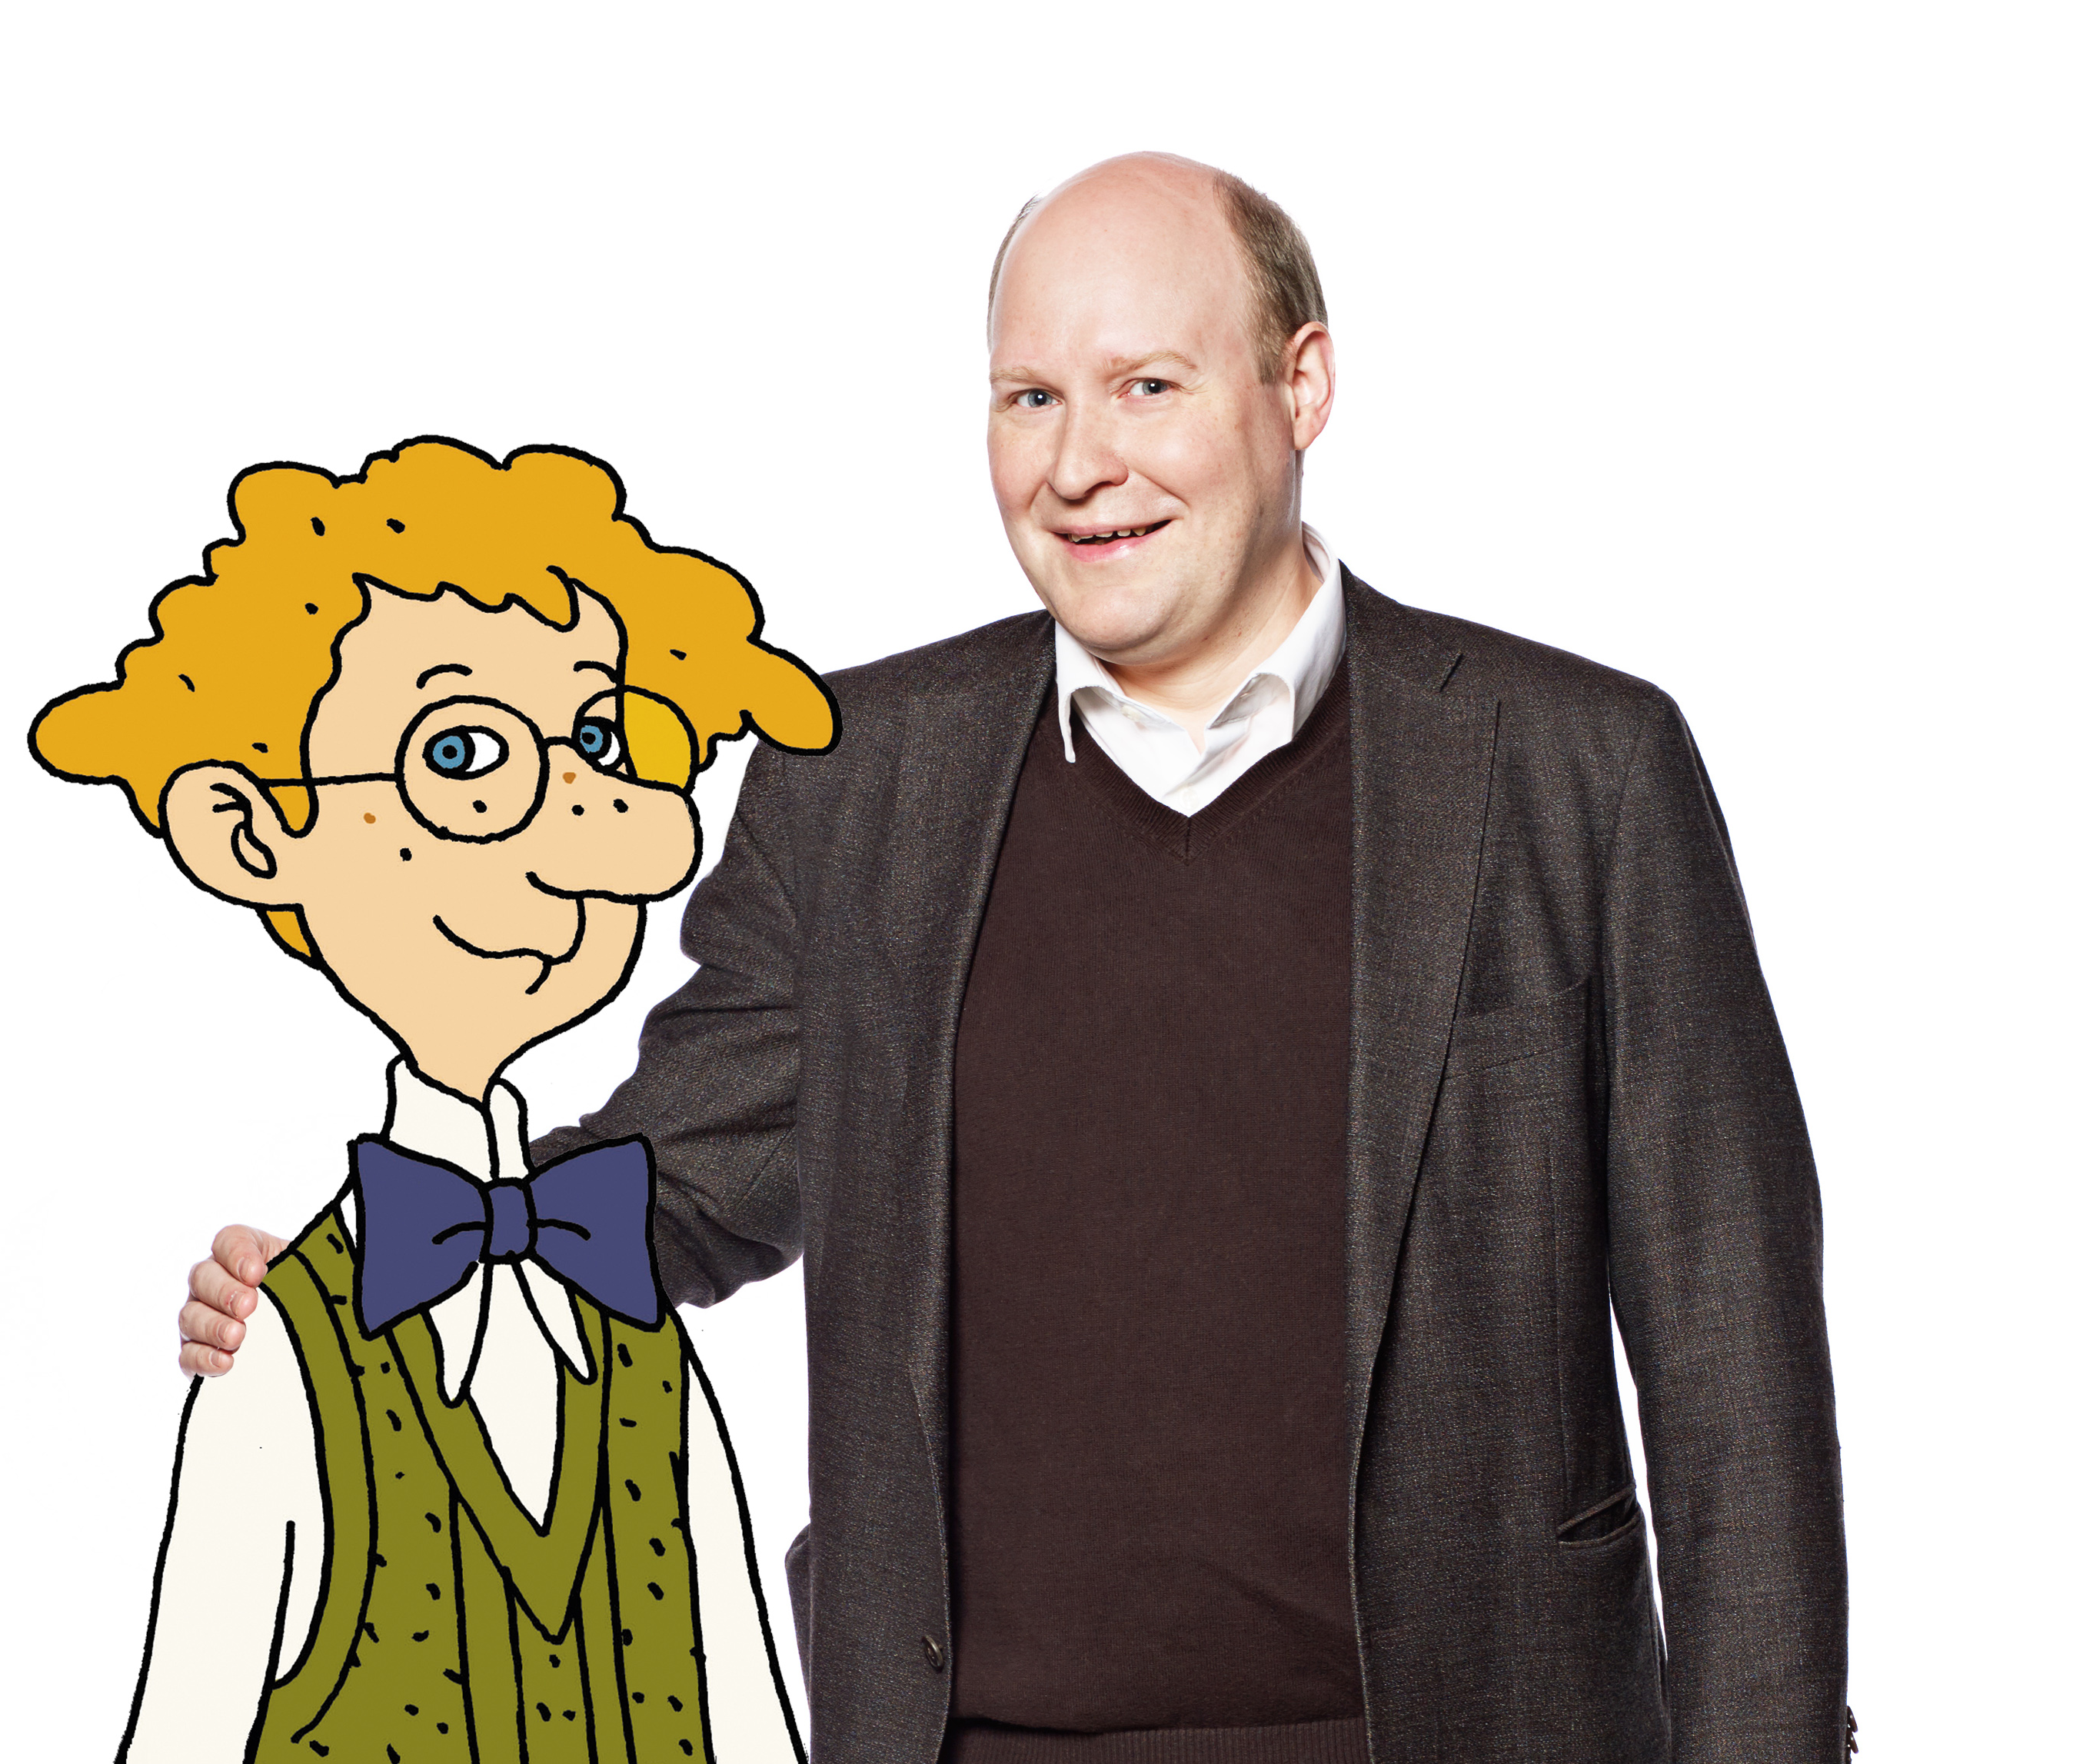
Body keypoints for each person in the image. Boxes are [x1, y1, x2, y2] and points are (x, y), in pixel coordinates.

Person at [182, 158, 1852, 1763]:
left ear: (1301, 385)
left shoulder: (1576, 772)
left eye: (1146, 387)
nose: (1078, 464)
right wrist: (355, 1274)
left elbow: (1734, 1367)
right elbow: (678, 1177)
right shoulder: (858, 780)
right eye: (1030, 398)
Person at [33, 440, 833, 1762]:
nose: (573, 814)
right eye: (462, 752)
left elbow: (747, 1722)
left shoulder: (646, 1357)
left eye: (596, 739)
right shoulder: (282, 1354)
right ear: (251, 832)